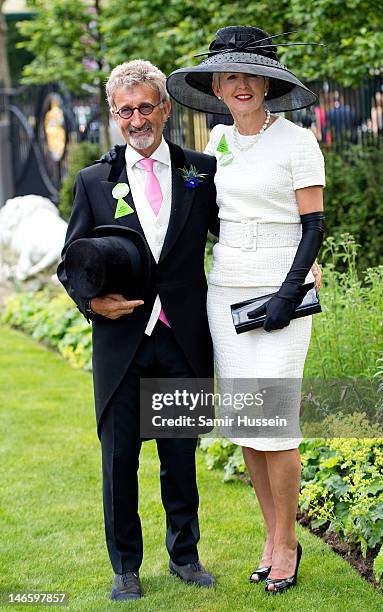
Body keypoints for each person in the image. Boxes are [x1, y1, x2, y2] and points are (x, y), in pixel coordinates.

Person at [167, 26, 325, 594]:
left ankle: (288, 544)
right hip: (226, 283)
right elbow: (210, 216)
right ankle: (271, 536)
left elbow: (314, 224)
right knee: (245, 427)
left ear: (267, 82)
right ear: (216, 84)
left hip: (281, 279)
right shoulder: (217, 143)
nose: (240, 85)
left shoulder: (299, 141)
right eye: (229, 75)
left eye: (250, 75)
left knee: (275, 427)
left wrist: (289, 290)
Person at [57, 59, 219, 601]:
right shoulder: (94, 180)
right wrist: (92, 302)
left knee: (180, 455)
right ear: (114, 115)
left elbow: (238, 231)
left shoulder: (201, 170)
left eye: (145, 107)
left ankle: (186, 556)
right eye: (124, 111)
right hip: (121, 344)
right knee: (120, 459)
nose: (135, 119)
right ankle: (125, 566)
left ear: (165, 108)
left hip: (182, 336)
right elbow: (69, 263)